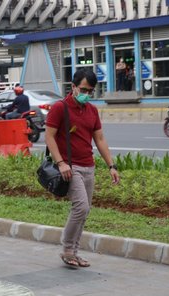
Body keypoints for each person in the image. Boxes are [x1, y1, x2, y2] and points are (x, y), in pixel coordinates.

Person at [44, 68, 120, 268]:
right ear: (73, 87)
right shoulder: (60, 108)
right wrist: (60, 163)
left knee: (85, 212)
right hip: (70, 167)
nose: (87, 94)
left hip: (89, 166)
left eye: (91, 91)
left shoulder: (92, 110)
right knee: (81, 207)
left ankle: (74, 253)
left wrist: (111, 165)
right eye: (84, 89)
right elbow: (49, 136)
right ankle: (68, 249)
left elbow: (100, 139)